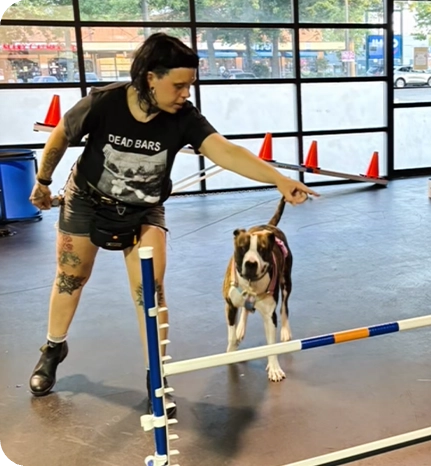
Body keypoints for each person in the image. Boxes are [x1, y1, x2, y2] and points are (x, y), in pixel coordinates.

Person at [28, 32, 318, 418]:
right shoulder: (104, 102)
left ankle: (158, 375)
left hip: (144, 209)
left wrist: (278, 179)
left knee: (150, 293)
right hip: (88, 199)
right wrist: (43, 181)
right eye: (178, 85)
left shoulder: (183, 117)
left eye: (189, 85)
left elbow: (225, 151)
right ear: (151, 77)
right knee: (71, 278)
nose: (185, 93)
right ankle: (53, 348)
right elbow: (61, 135)